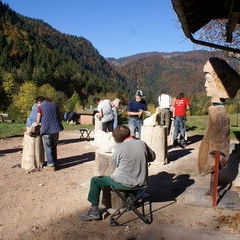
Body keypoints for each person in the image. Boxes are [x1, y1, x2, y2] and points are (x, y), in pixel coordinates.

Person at [80, 125, 156, 221]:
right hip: (142, 183)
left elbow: (115, 164)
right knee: (127, 174)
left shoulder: (119, 147)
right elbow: (152, 157)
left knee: (95, 180)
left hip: (124, 183)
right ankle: (131, 198)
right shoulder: (142, 143)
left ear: (116, 138)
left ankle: (94, 211)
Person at [198, 57, 240, 196]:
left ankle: (214, 189)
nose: (205, 85)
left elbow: (218, 147)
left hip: (216, 156)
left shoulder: (221, 115)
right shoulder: (215, 111)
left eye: (209, 80)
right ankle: (212, 187)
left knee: (214, 157)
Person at [36, 96, 64, 171]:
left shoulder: (40, 107)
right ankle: (55, 162)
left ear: (39, 101)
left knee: (48, 147)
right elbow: (60, 116)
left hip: (47, 130)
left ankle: (50, 164)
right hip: (56, 129)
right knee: (54, 146)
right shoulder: (54, 105)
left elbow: (38, 119)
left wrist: (38, 122)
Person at [21, 98, 45, 172]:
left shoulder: (34, 106)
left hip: (29, 125)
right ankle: (35, 163)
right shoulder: (39, 107)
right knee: (35, 145)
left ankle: (28, 163)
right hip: (34, 126)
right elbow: (38, 118)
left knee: (29, 146)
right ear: (39, 102)